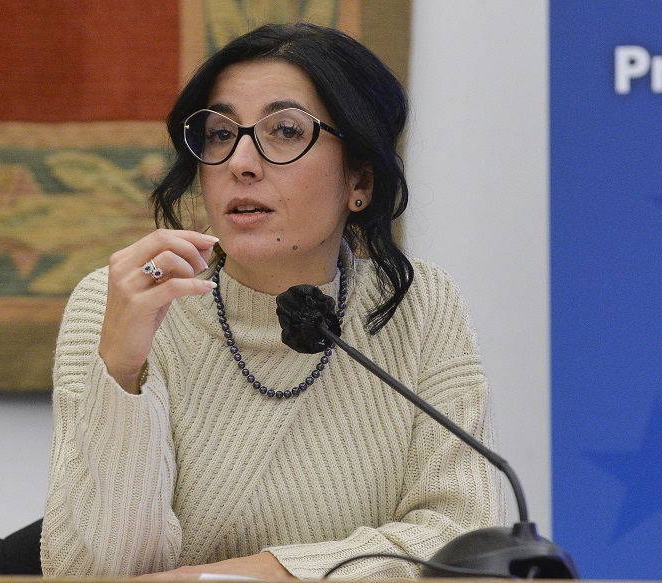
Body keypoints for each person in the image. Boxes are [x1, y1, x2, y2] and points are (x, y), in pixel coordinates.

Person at [41, 22, 506, 579]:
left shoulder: (420, 307)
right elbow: (88, 573)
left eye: (285, 130)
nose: (240, 161)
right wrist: (120, 374)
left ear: (359, 181)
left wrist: (263, 575)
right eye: (219, 134)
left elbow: (462, 538)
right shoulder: (118, 303)